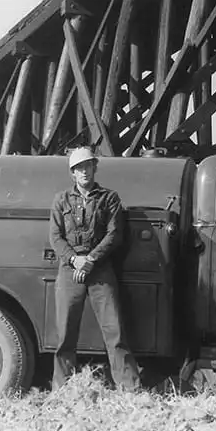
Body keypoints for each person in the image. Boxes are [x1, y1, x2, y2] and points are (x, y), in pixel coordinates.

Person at [48, 147, 141, 391]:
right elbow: (55, 237)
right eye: (79, 168)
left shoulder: (109, 198)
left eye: (88, 166)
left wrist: (90, 260)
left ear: (94, 168)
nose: (84, 171)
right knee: (65, 333)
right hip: (70, 271)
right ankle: (62, 389)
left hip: (99, 269)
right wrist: (74, 260)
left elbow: (114, 234)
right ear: (73, 173)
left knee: (115, 331)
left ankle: (130, 389)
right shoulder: (61, 200)